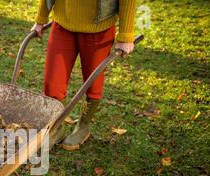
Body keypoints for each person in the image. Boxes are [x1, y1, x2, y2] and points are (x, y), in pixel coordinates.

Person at [33, 0, 137, 150]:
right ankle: (55, 127)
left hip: (98, 28)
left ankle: (83, 126)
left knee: (93, 82)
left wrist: (126, 35)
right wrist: (40, 19)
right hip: (62, 23)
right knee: (53, 81)